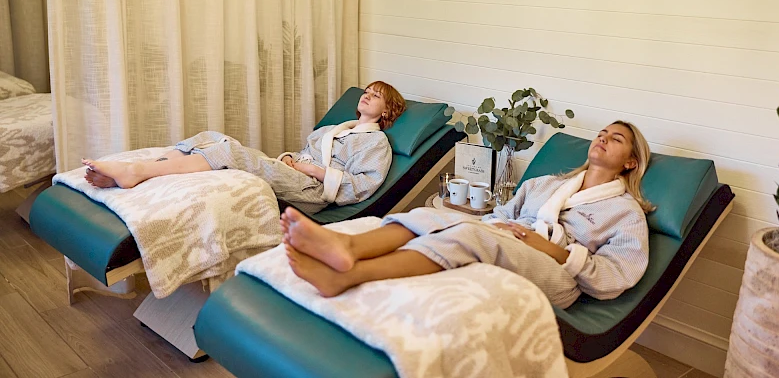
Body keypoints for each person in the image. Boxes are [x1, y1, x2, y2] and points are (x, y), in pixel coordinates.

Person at [280, 121, 654, 307]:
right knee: (434, 217)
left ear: (630, 162)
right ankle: (348, 244)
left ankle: (349, 276)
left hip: (559, 277)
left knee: (470, 234)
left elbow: (614, 276)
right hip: (510, 239)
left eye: (615, 139)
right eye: (602, 133)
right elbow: (503, 214)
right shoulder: (543, 184)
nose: (602, 138)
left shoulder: (625, 213)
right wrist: (488, 225)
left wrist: (556, 251)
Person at [83, 81, 407, 214]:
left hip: (315, 193)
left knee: (230, 152)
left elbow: (362, 186)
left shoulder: (376, 143)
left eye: (375, 95)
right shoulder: (334, 130)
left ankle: (135, 172)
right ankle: (146, 172)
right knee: (210, 135)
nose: (365, 95)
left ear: (387, 110)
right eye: (365, 91)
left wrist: (311, 169)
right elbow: (300, 153)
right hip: (297, 176)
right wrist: (291, 159)